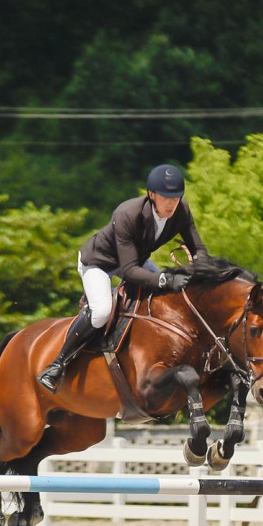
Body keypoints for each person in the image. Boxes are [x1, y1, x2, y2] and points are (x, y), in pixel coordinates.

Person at [37, 164, 208, 393]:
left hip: (134, 260)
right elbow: (128, 271)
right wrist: (164, 280)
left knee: (167, 298)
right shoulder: (128, 214)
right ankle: (58, 364)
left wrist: (203, 271)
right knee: (102, 310)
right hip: (100, 262)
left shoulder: (182, 211)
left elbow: (198, 248)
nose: (172, 203)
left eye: (176, 197)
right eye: (166, 197)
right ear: (151, 195)